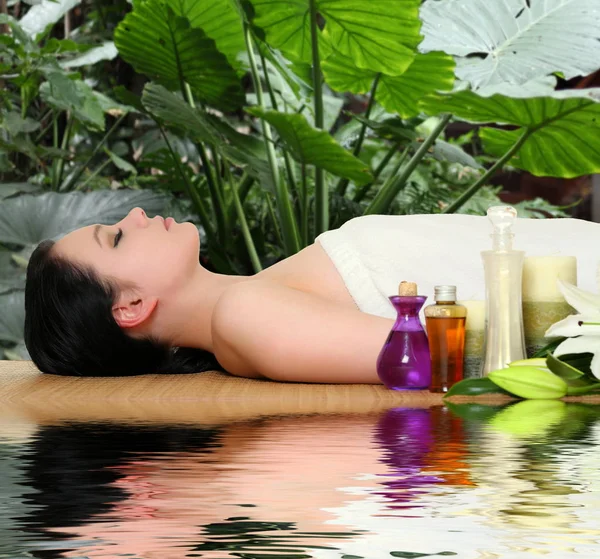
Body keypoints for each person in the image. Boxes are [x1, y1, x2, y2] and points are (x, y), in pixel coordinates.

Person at [24, 207, 600, 382]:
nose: (137, 213)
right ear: (130, 307)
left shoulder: (255, 300)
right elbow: (445, 356)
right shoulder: (246, 316)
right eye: (117, 237)